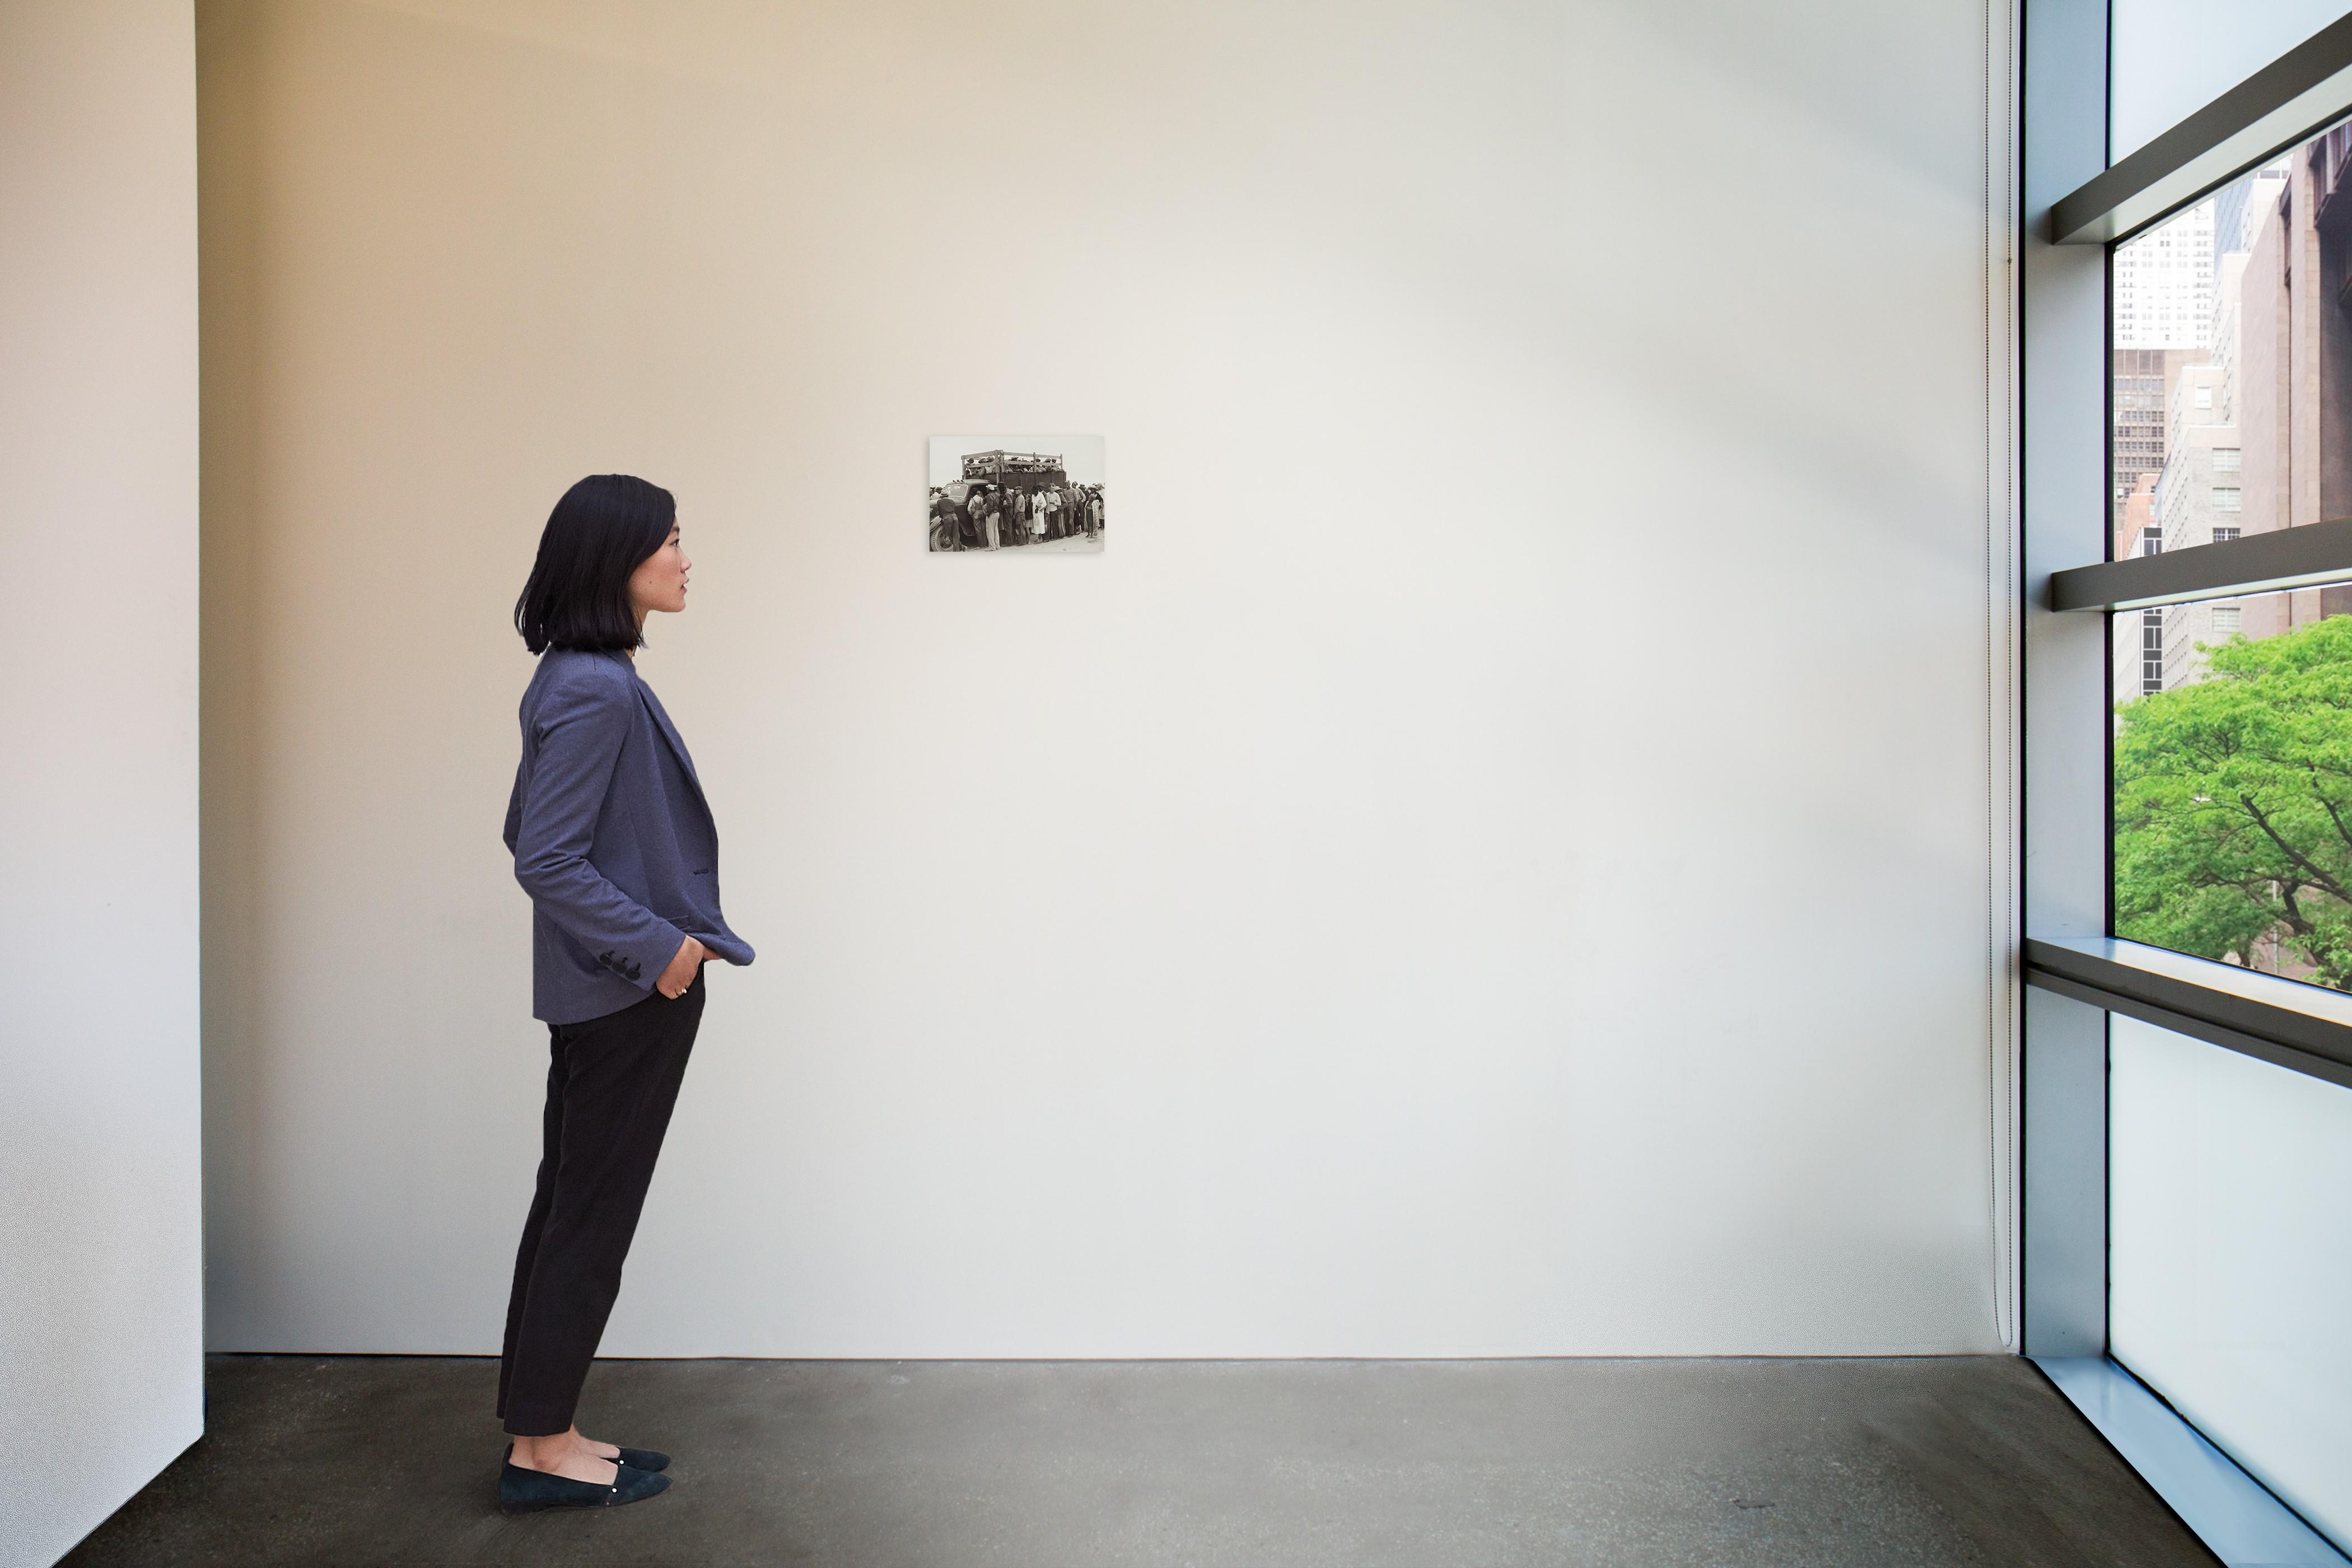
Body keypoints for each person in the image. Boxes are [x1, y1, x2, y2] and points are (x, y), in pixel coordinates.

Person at [497, 474, 755, 1514]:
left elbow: (527, 835)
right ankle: (544, 1450)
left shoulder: (577, 674)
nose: (687, 559)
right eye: (673, 541)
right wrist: (662, 951)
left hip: (602, 992)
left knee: (570, 1209)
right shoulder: (596, 688)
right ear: (620, 561)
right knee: (588, 1221)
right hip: (624, 995)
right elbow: (546, 857)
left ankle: (541, 1436)